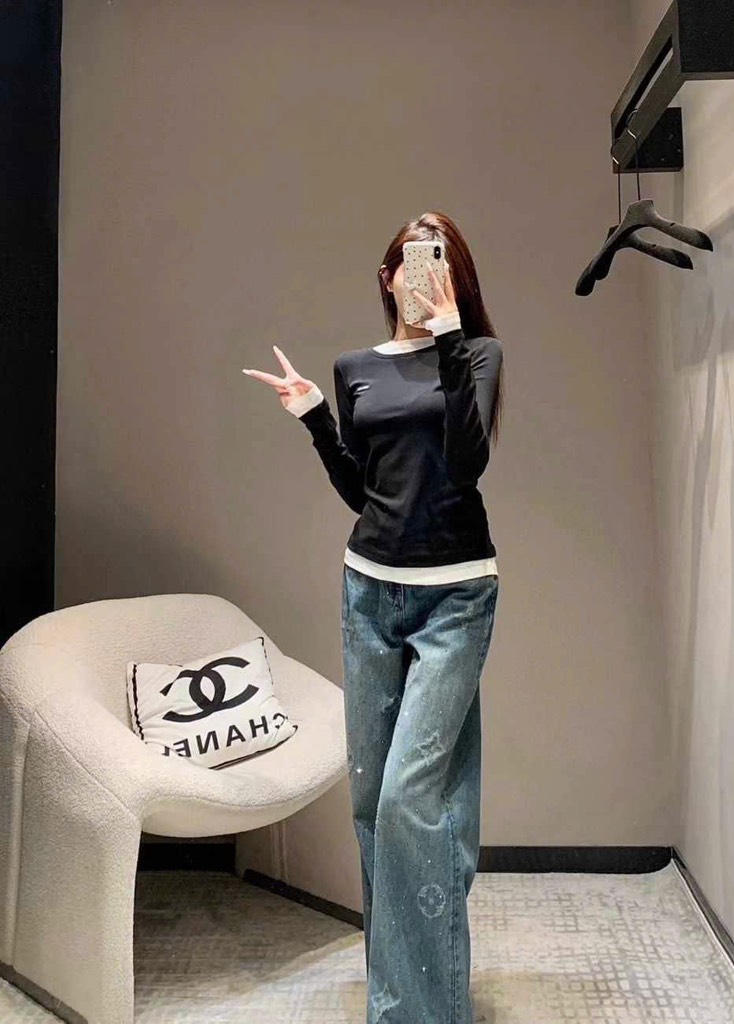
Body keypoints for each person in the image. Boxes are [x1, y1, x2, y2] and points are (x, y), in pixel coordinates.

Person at [242, 210, 504, 1024]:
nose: (424, 275)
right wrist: (317, 418)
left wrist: (450, 336)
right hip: (369, 591)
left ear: (454, 278)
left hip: (456, 594)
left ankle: (420, 1011)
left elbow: (468, 462)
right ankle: (407, 999)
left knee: (410, 801)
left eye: (441, 262)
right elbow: (365, 493)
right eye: (413, 261)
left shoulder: (478, 355)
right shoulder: (355, 368)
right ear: (388, 276)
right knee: (373, 806)